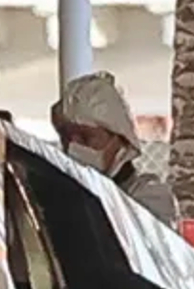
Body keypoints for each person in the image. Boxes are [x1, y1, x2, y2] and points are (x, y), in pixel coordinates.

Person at [51, 71, 181, 227]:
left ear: (120, 139)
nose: (72, 147)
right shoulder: (63, 197)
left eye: (86, 138)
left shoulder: (150, 199)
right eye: (66, 138)